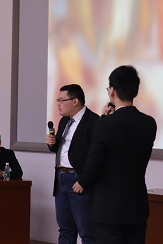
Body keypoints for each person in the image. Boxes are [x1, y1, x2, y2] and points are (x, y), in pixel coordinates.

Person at [75, 65, 157, 244]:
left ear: (111, 91)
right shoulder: (149, 123)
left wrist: (83, 181)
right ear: (136, 91)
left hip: (109, 209)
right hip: (136, 207)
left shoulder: (105, 124)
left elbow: (95, 161)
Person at [46, 84, 99, 244]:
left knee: (87, 232)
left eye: (61, 100)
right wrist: (52, 144)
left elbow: (97, 156)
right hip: (60, 178)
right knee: (65, 230)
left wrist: (84, 180)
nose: (58, 104)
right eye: (57, 100)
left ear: (75, 101)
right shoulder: (64, 121)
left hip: (78, 181)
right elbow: (62, 149)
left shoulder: (94, 121)